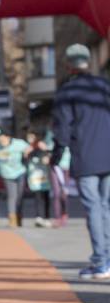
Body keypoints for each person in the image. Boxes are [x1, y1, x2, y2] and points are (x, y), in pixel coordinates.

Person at [53, 43, 110, 279]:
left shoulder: (67, 92)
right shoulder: (105, 86)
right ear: (89, 62)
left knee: (94, 208)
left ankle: (101, 262)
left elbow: (62, 130)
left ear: (68, 65)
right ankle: (107, 260)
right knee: (106, 207)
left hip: (85, 157)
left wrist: (56, 156)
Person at [0, 130, 29, 227]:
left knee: (20, 196)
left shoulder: (18, 143)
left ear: (8, 137)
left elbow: (28, 148)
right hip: (7, 175)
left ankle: (19, 216)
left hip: (20, 172)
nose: (1, 142)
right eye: (0, 141)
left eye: (3, 140)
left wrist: (26, 153)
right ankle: (12, 218)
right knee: (12, 196)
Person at [25, 131, 52, 227]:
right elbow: (25, 159)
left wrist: (45, 151)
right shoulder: (27, 147)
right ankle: (39, 217)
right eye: (28, 137)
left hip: (44, 176)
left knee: (46, 197)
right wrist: (27, 153)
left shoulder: (43, 146)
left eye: (32, 137)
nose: (30, 139)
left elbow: (48, 158)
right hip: (34, 177)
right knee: (37, 197)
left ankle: (47, 217)